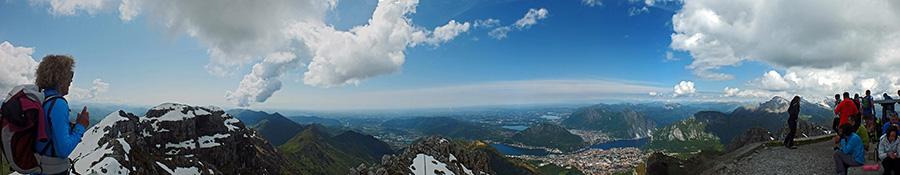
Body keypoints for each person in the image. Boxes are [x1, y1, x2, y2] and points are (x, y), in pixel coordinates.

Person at [34, 55, 90, 167]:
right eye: (69, 75)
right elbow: (63, 150)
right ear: (60, 79)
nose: (71, 80)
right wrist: (81, 126)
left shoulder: (42, 98)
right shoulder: (58, 103)